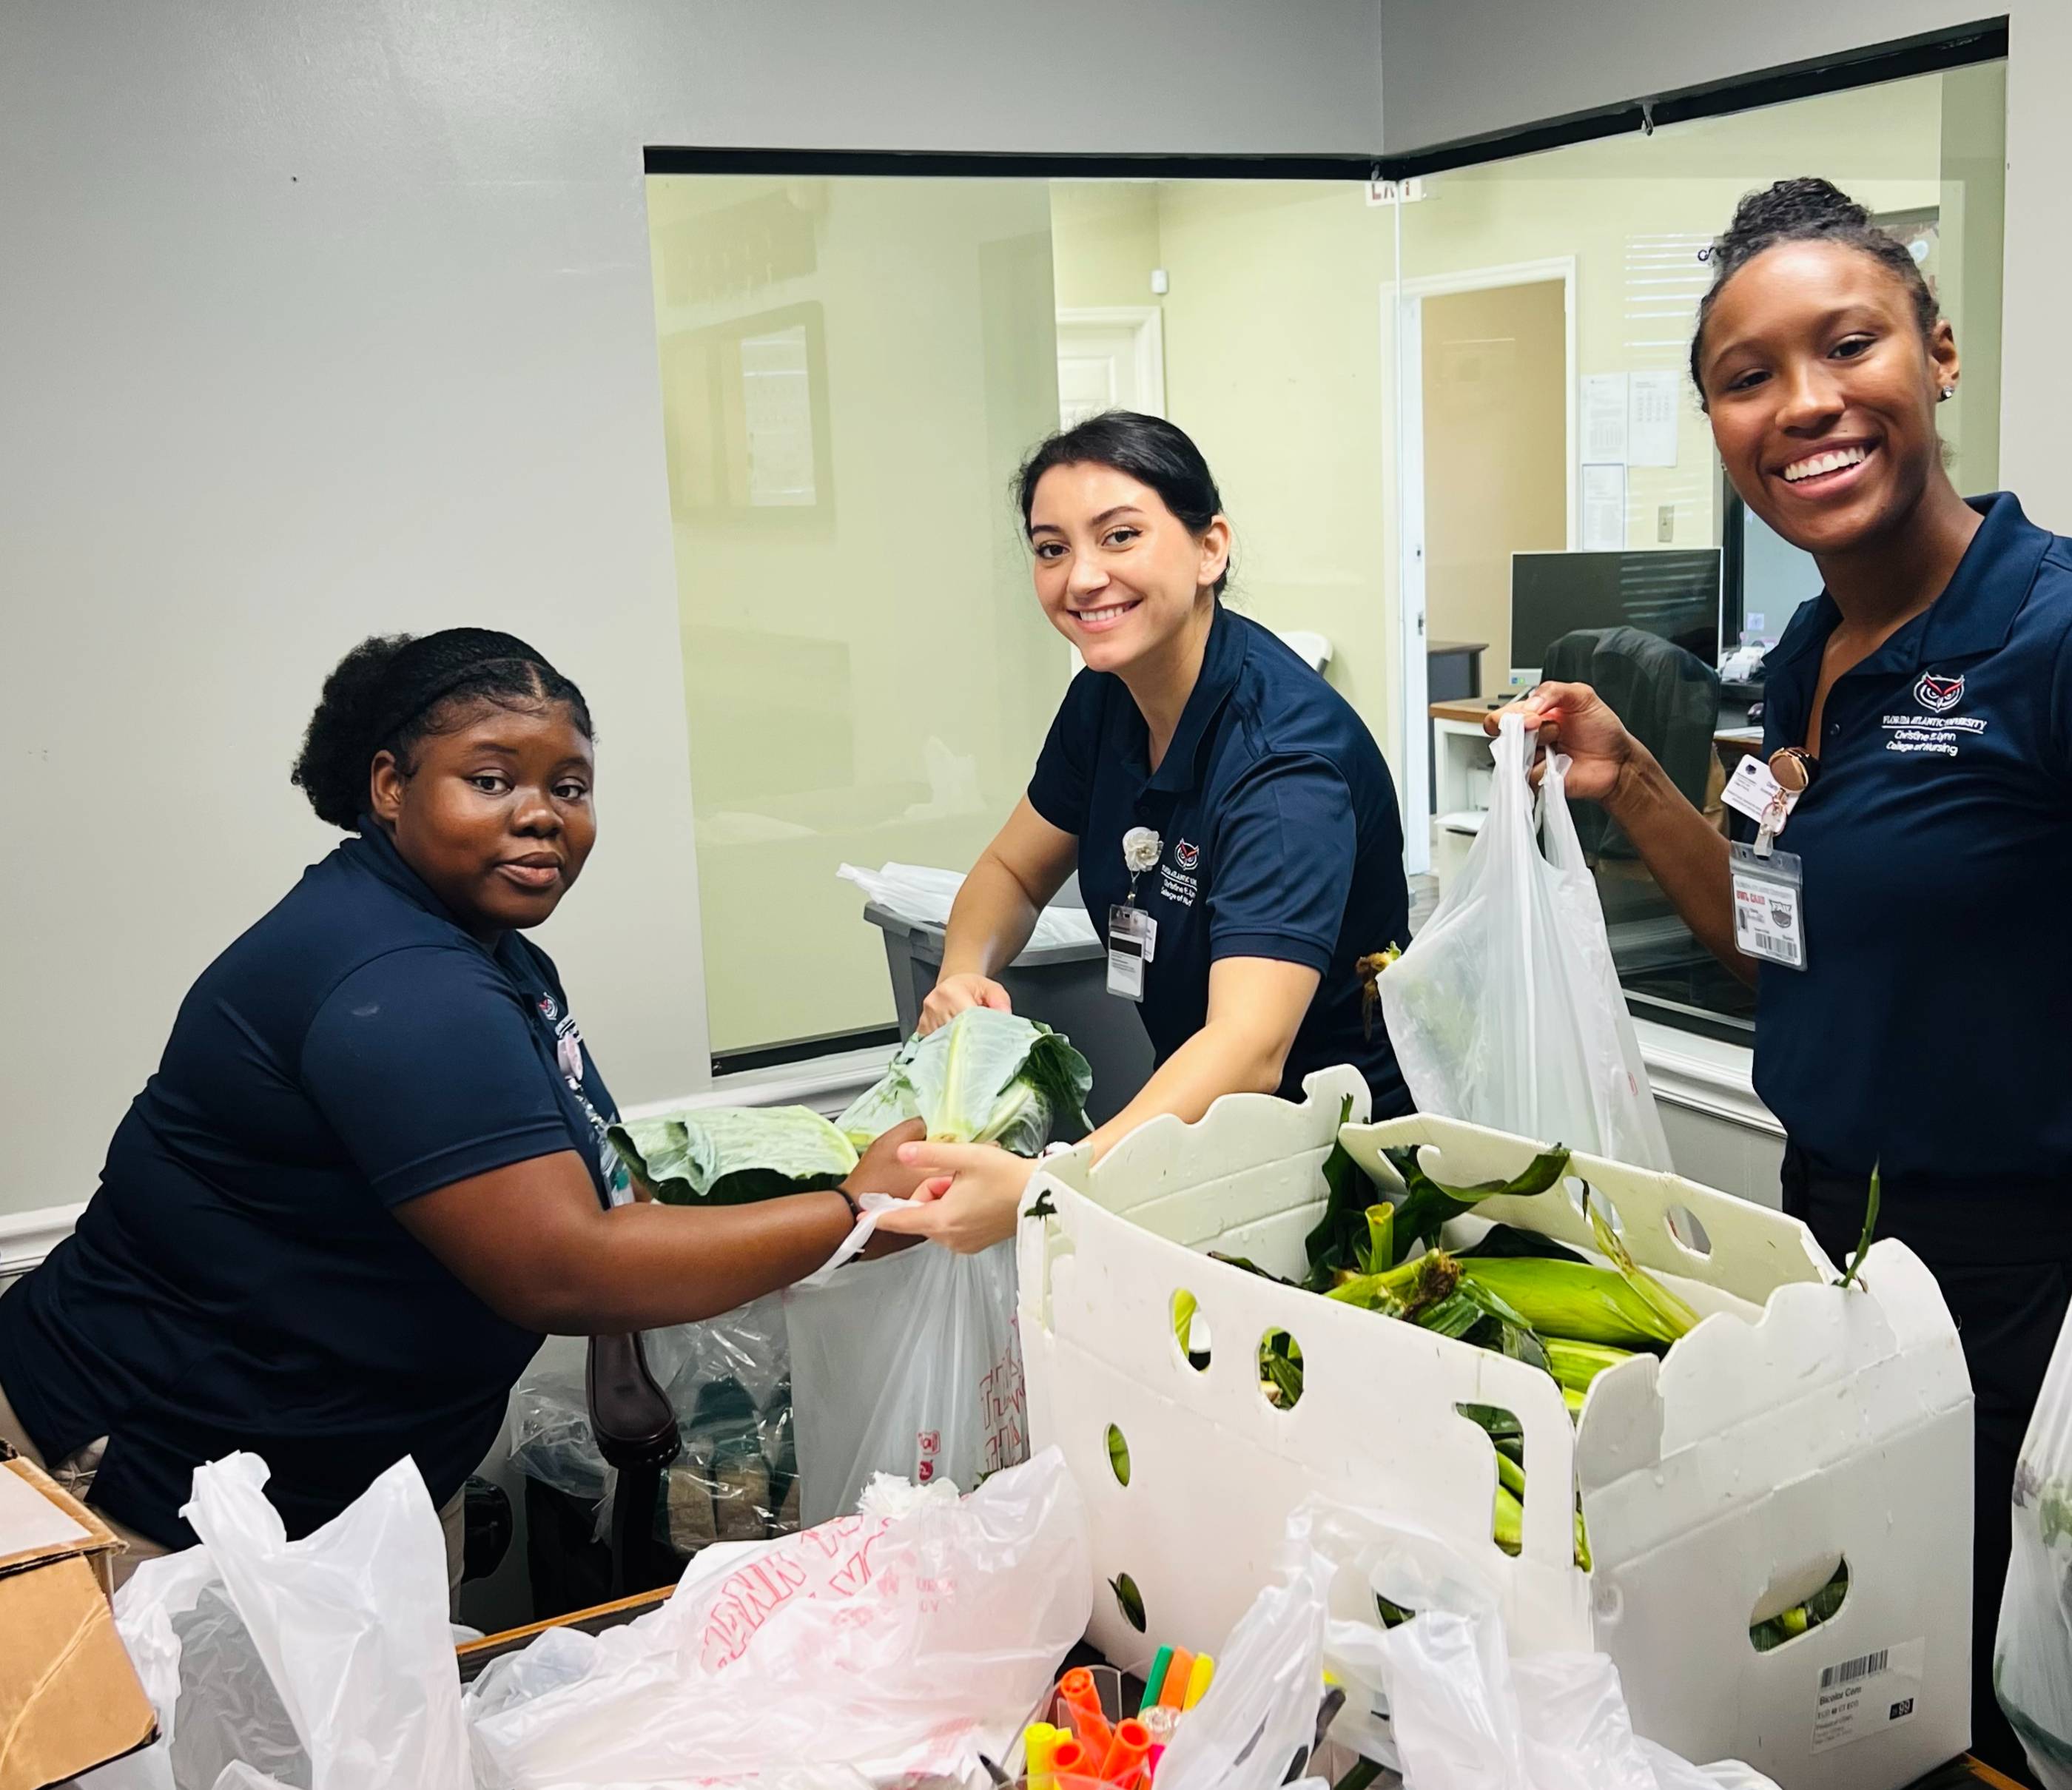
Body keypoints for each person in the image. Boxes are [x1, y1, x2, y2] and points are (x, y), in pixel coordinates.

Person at [1501, 180, 2072, 1782]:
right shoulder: (1806, 656)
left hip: (2044, 1294)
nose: (1803, 403)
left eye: (1846, 345)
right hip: (1830, 1252)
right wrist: (1631, 784)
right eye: (1747, 376)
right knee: (1860, 1698)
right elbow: (1779, 956)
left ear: (1937, 353)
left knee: (2038, 1723)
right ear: (1714, 418)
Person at [0, 629, 932, 1584]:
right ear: (389, 785)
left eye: (569, 786)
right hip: (146, 1484)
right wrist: (855, 1218)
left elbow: (596, 1185)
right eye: (491, 779)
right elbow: (563, 1269)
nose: (541, 816)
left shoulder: (490, 954)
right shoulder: (396, 980)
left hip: (347, 1490)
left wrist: (657, 1325)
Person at [877, 412, 1411, 1254]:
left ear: (1210, 549)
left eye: (1118, 536)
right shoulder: (1107, 699)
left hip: (1334, 1180)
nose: (1082, 578)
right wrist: (961, 974)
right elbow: (1012, 874)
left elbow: (1250, 1049)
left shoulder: (1286, 768)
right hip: (1201, 1154)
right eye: (1051, 549)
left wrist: (1059, 1183)